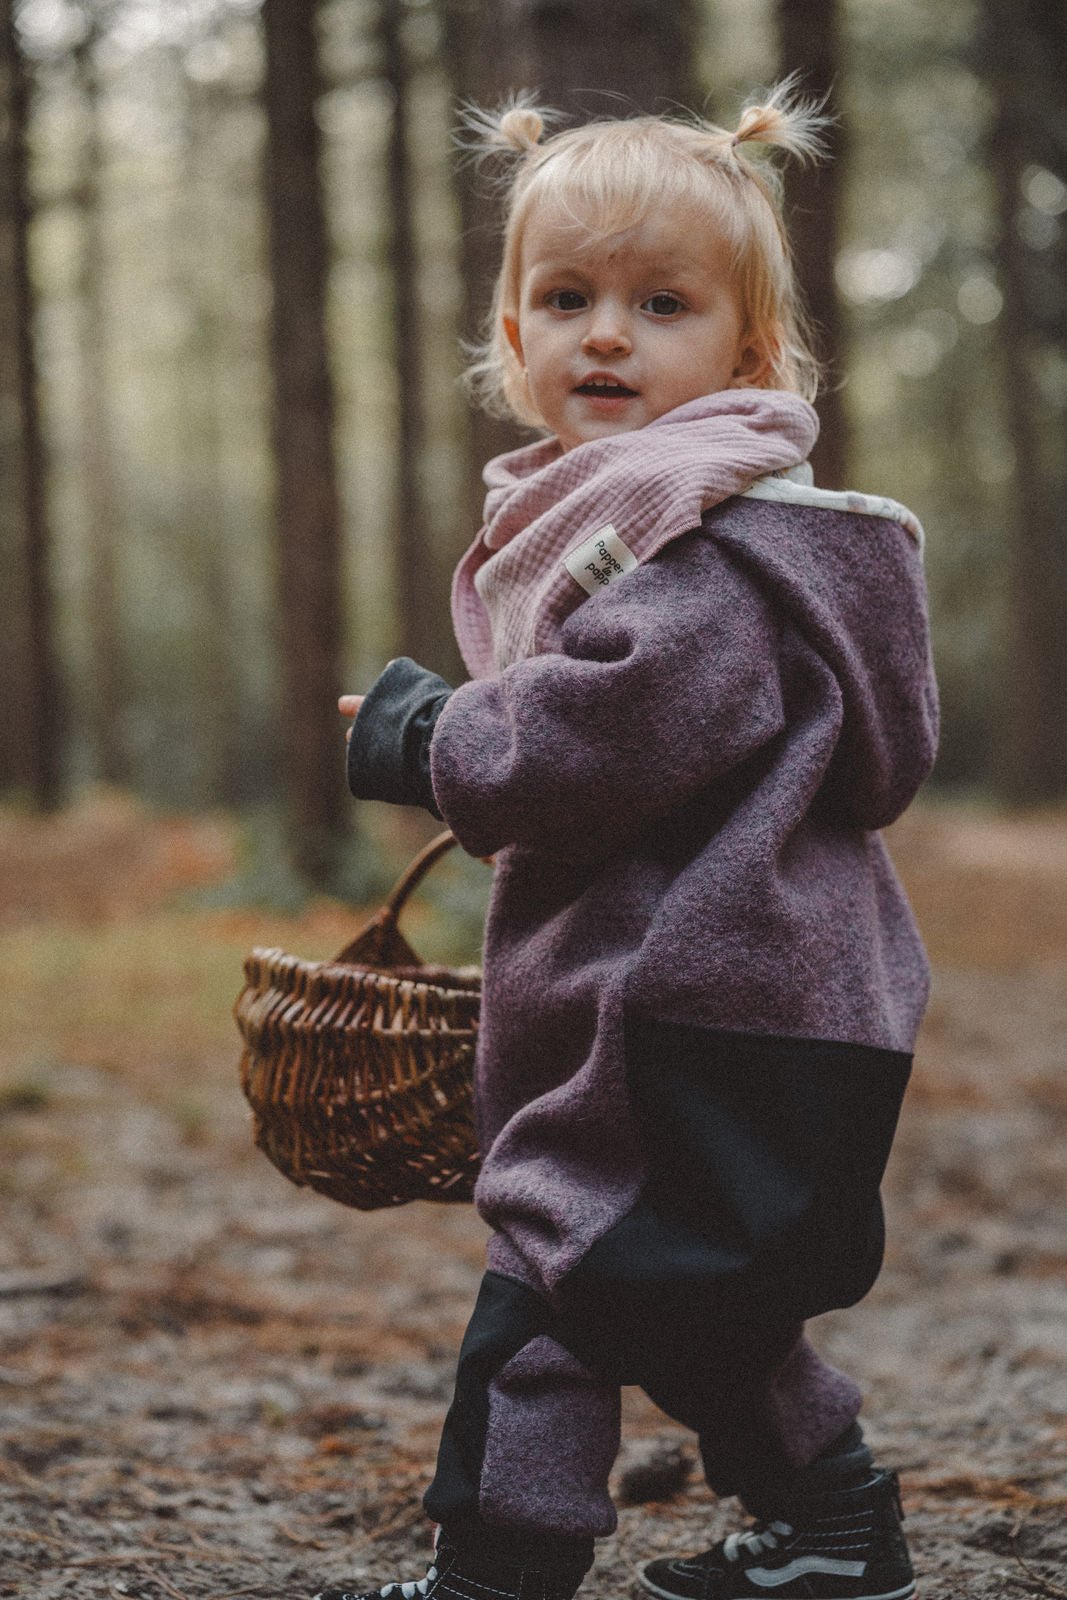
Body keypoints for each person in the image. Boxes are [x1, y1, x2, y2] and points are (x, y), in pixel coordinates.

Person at [325, 83, 937, 1600]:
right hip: (727, 996)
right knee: (673, 1287)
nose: (607, 333)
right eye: (567, 297)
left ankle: (502, 1565)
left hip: (706, 1002)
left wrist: (427, 734)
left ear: (750, 351)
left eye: (660, 304)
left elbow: (608, 734)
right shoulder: (640, 523)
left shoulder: (715, 551)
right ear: (512, 333)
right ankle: (836, 1524)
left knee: (555, 1268)